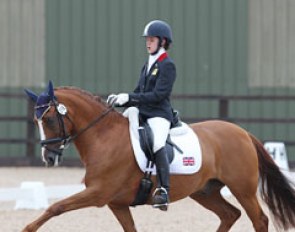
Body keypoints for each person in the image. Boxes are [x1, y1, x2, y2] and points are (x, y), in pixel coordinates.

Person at [107, 20, 176, 211]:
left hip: (159, 114)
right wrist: (122, 100)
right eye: (147, 40)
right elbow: (139, 91)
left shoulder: (167, 65)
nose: (148, 43)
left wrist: (130, 96)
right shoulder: (147, 65)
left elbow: (158, 95)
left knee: (157, 143)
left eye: (152, 40)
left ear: (162, 42)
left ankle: (163, 190)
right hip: (144, 111)